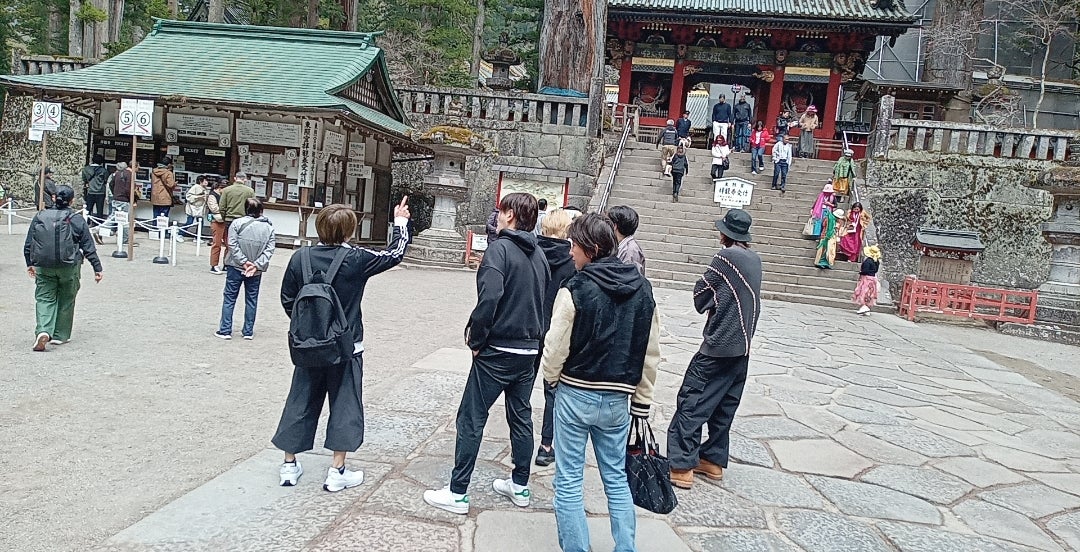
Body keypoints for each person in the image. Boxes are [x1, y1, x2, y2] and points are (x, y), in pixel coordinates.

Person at [540, 213, 660, 552]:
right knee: (616, 478)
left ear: (591, 249)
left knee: (568, 481)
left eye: (574, 246)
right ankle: (625, 547)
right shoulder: (643, 288)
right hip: (618, 399)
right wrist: (642, 401)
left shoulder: (575, 288)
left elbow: (555, 346)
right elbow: (650, 351)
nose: (570, 252)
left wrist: (551, 379)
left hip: (576, 392)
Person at [272, 199, 411, 490]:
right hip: (346, 345)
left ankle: (289, 465)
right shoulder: (356, 259)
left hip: (308, 345)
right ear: (349, 231)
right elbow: (394, 254)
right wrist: (400, 222)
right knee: (345, 404)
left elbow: (288, 299)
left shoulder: (300, 258)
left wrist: (310, 326)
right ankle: (337, 470)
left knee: (300, 400)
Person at [424, 192, 550, 515]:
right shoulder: (540, 256)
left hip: (498, 349)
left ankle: (458, 491)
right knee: (520, 416)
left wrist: (476, 339)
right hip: (529, 349)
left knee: (471, 417)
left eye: (501, 210)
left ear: (510, 215)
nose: (498, 215)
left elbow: (490, 297)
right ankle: (520, 485)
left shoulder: (499, 250)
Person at [667, 209, 761, 489]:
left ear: (726, 232)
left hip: (718, 346)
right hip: (742, 349)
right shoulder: (754, 259)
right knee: (723, 407)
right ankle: (712, 459)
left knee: (692, 400)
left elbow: (701, 294)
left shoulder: (725, 258)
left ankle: (682, 465)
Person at [23, 185, 103, 352]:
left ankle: (44, 329)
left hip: (44, 265)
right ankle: (60, 334)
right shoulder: (76, 219)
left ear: (53, 198)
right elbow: (88, 246)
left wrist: (29, 263)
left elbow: (29, 243)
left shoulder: (40, 216)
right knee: (67, 298)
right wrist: (97, 268)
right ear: (72, 201)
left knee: (44, 298)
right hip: (69, 266)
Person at [533, 209, 579, 468]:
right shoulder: (572, 261)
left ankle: (520, 440)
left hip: (530, 327)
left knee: (521, 387)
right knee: (552, 389)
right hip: (558, 329)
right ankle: (546, 445)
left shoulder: (532, 253)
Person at [215, 198, 275, 340]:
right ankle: (248, 331)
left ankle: (225, 330)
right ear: (261, 211)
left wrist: (243, 262)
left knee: (229, 298)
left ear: (246, 209)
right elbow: (269, 249)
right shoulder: (269, 228)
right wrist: (256, 264)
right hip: (256, 270)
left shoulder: (237, 224)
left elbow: (232, 244)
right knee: (251, 299)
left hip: (235, 266)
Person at [98, 162, 137, 246]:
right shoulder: (129, 174)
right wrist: (132, 200)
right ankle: (125, 239)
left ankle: (100, 230)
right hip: (124, 200)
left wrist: (115, 193)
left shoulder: (116, 174)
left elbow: (111, 184)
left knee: (113, 217)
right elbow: (128, 189)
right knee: (126, 220)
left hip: (116, 199)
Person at [218, 172, 256, 247]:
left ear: (235, 178)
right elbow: (253, 206)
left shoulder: (226, 190)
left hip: (229, 219)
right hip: (244, 220)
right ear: (245, 179)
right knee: (241, 243)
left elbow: (222, 207)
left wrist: (224, 217)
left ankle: (228, 254)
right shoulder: (250, 191)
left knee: (229, 243)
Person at [608, 205, 645, 274]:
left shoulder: (630, 250)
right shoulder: (620, 245)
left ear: (614, 226)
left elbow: (632, 277)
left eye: (608, 222)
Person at [150, 157, 178, 237]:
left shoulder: (154, 171)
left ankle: (155, 232)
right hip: (165, 197)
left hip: (155, 197)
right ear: (168, 164)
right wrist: (175, 184)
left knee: (156, 215)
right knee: (164, 217)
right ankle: (162, 233)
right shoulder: (168, 173)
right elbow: (170, 185)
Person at [207, 178, 228, 274]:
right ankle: (214, 265)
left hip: (225, 220)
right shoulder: (212, 195)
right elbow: (214, 208)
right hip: (217, 220)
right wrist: (225, 209)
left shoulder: (224, 195)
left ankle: (226, 264)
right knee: (217, 243)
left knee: (229, 244)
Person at [853, 245, 882, 315]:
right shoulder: (876, 261)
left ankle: (864, 307)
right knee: (869, 293)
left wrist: (861, 272)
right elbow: (876, 270)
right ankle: (866, 307)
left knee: (863, 292)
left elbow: (865, 270)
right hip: (873, 278)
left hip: (866, 279)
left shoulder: (868, 261)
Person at [81, 154, 108, 223]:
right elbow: (106, 180)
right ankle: (98, 223)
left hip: (90, 191)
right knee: (100, 210)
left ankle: (87, 223)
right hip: (100, 192)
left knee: (88, 209)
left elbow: (84, 179)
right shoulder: (103, 170)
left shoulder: (86, 169)